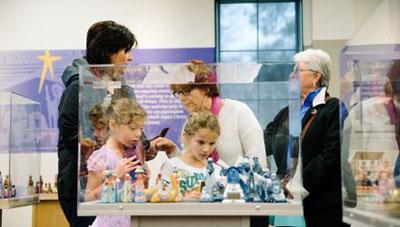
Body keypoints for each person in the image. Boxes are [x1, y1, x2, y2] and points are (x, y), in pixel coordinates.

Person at [57, 20, 137, 226]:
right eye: (125, 50)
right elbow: (68, 134)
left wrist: (144, 145)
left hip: (118, 184)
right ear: (107, 51)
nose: (130, 57)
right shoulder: (77, 88)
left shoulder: (124, 90)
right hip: (83, 188)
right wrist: (101, 145)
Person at [153, 61, 268, 169]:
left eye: (186, 91)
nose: (182, 98)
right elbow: (191, 167)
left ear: (206, 88)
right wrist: (173, 151)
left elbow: (258, 162)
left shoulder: (238, 111)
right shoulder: (191, 122)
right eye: (179, 93)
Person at [289, 49, 348, 226]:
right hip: (293, 202)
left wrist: (299, 185)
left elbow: (331, 155)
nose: (292, 75)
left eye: (297, 71)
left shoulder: (335, 108)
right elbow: (271, 137)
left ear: (316, 77)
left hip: (324, 206)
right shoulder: (290, 110)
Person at [85, 98, 146, 227]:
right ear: (113, 125)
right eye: (133, 128)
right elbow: (89, 197)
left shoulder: (134, 153)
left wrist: (142, 181)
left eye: (141, 128)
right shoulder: (101, 157)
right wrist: (114, 176)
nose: (138, 134)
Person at [160, 111, 221, 201]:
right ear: (186, 137)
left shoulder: (217, 170)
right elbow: (162, 200)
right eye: (201, 142)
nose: (206, 149)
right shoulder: (171, 166)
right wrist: (184, 200)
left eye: (211, 143)